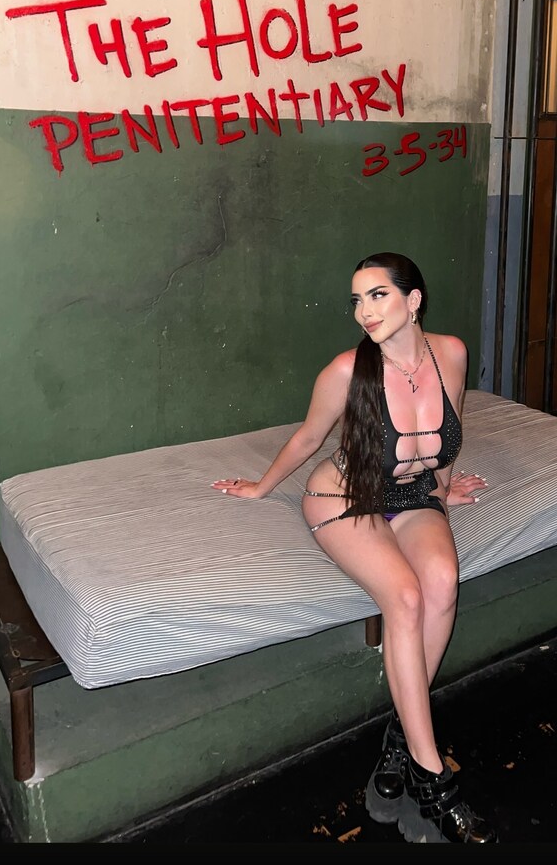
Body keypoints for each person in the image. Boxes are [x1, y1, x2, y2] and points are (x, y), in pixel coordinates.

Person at [212, 251, 496, 844]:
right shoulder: (347, 370)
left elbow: (450, 431)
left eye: (377, 295)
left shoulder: (452, 353)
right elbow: (309, 437)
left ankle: (398, 742)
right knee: (406, 597)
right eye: (357, 300)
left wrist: (445, 488)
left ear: (413, 301)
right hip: (343, 496)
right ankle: (432, 776)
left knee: (443, 582)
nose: (364, 311)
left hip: (414, 494)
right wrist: (261, 486)